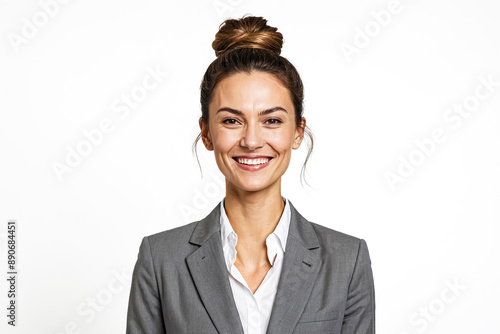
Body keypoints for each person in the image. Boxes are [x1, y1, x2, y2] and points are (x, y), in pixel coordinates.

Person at [126, 15, 375, 334]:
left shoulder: (347, 260)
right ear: (207, 133)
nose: (252, 141)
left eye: (272, 121)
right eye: (231, 120)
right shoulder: (160, 259)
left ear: (298, 132)